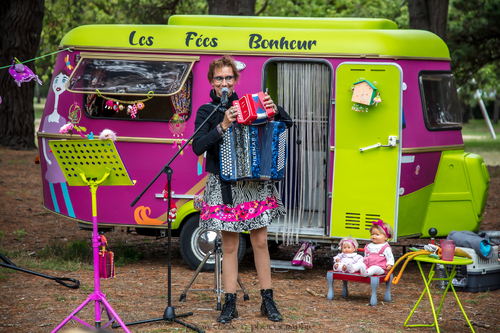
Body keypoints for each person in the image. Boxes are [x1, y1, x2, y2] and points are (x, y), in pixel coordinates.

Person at [192, 55, 293, 324]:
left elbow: (286, 124)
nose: (224, 82)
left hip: (254, 185)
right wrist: (223, 125)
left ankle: (267, 300)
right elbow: (198, 147)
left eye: (228, 77)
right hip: (224, 185)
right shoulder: (206, 111)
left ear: (235, 80)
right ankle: (230, 303)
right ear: (211, 82)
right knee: (230, 246)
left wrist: (276, 109)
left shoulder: (250, 105)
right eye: (219, 78)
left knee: (260, 242)